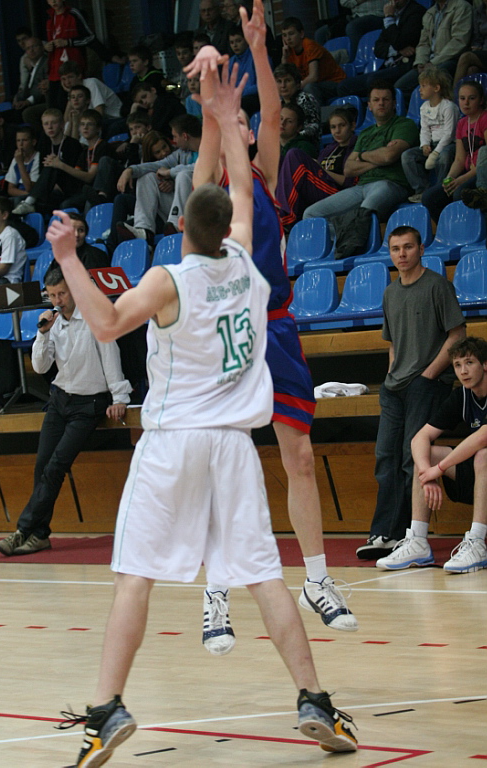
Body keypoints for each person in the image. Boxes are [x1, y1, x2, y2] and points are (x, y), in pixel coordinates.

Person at [47, 59, 358, 767]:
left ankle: (107, 708)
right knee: (264, 576)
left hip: (173, 443)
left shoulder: (167, 279)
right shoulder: (247, 264)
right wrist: (221, 114)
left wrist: (67, 257)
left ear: (182, 223)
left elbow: (105, 325)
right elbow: (242, 189)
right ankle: (314, 700)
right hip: (233, 447)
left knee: (135, 576)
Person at [187, 0, 359, 648]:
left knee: (301, 458)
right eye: (235, 120)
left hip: (278, 327)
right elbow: (215, 132)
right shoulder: (208, 184)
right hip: (228, 332)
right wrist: (212, 92)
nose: (245, 124)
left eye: (247, 120)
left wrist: (258, 49)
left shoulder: (263, 172)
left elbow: (273, 110)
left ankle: (316, 579)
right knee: (223, 466)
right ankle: (215, 593)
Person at [0, 264, 131, 558]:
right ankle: (40, 535)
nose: (58, 300)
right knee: (42, 466)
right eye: (53, 295)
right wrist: (42, 334)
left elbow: (111, 356)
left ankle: (23, 530)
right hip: (59, 400)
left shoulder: (93, 316)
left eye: (62, 294)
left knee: (56, 467)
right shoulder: (53, 323)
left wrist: (119, 396)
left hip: (88, 404)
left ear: (73, 291)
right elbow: (40, 367)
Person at [356, 225, 465, 560]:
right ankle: (384, 534)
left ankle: (409, 535)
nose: (401, 254)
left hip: (427, 384)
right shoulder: (390, 293)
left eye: (407, 247)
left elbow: (458, 335)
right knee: (385, 457)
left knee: (410, 457)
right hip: (395, 387)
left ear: (421, 249)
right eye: (395, 249)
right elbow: (392, 343)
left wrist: (428, 374)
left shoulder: (437, 286)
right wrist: (391, 374)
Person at [376, 335, 487, 574]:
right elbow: (419, 437)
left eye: (469, 363)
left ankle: (478, 542)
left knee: (483, 455)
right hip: (480, 476)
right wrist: (426, 474)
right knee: (425, 454)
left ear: (485, 364)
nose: (463, 371)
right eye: (457, 365)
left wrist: (438, 469)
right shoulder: (462, 396)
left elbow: (482, 437)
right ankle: (418, 541)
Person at [303, 81, 419, 249]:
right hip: (361, 187)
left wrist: (363, 156)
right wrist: (378, 158)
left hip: (391, 184)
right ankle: (346, 236)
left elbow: (389, 156)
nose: (381, 103)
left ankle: (352, 243)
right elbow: (349, 169)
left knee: (364, 211)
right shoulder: (365, 134)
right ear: (369, 105)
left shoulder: (404, 125)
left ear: (394, 103)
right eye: (376, 100)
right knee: (310, 214)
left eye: (386, 99)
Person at [334, 0, 425, 98]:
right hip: (388, 66)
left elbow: (400, 42)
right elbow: (378, 48)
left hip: (405, 67)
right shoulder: (392, 14)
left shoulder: (416, 12)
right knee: (344, 86)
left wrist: (389, 18)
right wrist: (397, 50)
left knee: (374, 81)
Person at [394, 0, 473, 101]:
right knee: (399, 87)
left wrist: (433, 63)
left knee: (430, 86)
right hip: (429, 63)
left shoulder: (462, 7)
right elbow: (423, 43)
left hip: (450, 60)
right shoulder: (429, 13)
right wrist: (420, 62)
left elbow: (459, 42)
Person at [276, 105, 358, 230]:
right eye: (333, 127)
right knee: (278, 161)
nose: (337, 131)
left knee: (294, 155)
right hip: (320, 189)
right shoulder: (328, 149)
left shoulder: (356, 148)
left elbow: (350, 183)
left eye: (342, 125)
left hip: (339, 193)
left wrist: (323, 170)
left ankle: (285, 217)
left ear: (352, 126)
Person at [123, 114, 201, 243]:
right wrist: (130, 170)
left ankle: (176, 226)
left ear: (185, 136)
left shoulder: (212, 148)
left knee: (183, 175)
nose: (174, 141)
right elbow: (157, 165)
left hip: (204, 207)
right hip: (184, 209)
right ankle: (144, 230)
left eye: (175, 136)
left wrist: (170, 172)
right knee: (147, 177)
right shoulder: (182, 153)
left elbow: (201, 167)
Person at [421, 79, 487, 222]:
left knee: (459, 193)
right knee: (429, 197)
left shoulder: (485, 118)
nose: (466, 103)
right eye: (462, 98)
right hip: (467, 173)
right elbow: (459, 159)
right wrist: (449, 179)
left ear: (481, 100)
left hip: (481, 173)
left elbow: (486, 158)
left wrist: (461, 179)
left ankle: (473, 228)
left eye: (472, 98)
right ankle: (448, 229)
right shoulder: (462, 123)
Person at [401, 67, 460, 202]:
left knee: (444, 156)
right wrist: (425, 145)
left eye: (423, 86)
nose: (419, 89)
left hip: (449, 144)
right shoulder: (424, 108)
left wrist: (436, 153)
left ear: (436, 88)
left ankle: (441, 191)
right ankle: (422, 190)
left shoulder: (449, 107)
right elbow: (425, 130)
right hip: (432, 145)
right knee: (407, 156)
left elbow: (449, 133)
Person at [12, 108, 83, 216]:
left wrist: (58, 165)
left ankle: (29, 202)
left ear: (62, 124)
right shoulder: (44, 145)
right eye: (46, 124)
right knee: (18, 201)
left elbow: (76, 175)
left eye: (53, 123)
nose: (50, 127)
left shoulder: (72, 144)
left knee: (52, 165)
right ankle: (28, 206)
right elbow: (42, 175)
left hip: (70, 189)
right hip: (52, 191)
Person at [315, 0, 389, 54]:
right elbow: (343, 0)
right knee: (321, 33)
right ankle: (324, 61)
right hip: (356, 16)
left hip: (377, 15)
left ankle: (355, 60)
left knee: (353, 27)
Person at [280, 17, 346, 104]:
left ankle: (316, 113)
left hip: (335, 82)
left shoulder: (310, 46)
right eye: (284, 35)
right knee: (283, 91)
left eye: (291, 34)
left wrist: (295, 88)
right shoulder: (289, 51)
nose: (288, 38)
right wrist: (284, 57)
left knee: (308, 88)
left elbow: (313, 77)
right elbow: (284, 77)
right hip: (316, 84)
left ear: (301, 34)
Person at [273, 64, 320, 150]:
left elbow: (313, 127)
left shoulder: (306, 99)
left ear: (298, 84)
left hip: (304, 147)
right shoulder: (278, 104)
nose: (283, 85)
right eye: (279, 81)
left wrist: (290, 138)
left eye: (287, 81)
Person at [453, 0, 487, 86]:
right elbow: (477, 38)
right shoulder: (478, 12)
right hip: (483, 53)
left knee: (466, 57)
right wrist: (476, 47)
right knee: (471, 71)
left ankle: (453, 94)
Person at [5, 126, 41, 201]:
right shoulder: (16, 159)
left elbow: (30, 188)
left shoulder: (38, 158)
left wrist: (20, 163)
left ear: (33, 142)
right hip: (22, 194)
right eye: (18, 140)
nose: (21, 144)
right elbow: (10, 189)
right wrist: (27, 194)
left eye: (24, 140)